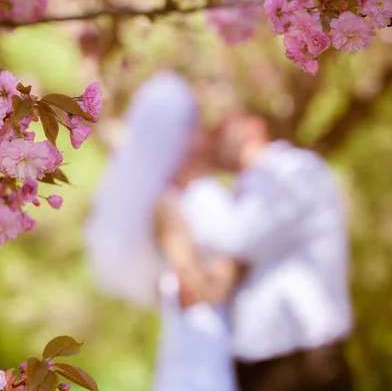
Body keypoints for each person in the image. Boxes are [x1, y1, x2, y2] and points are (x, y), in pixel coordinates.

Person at [170, 108, 354, 391]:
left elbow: (235, 236)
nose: (212, 138)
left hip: (301, 358)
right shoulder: (248, 188)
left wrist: (196, 179)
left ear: (253, 128)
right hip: (263, 360)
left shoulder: (294, 171)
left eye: (220, 128)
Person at [83, 72, 237, 391]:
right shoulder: (168, 206)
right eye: (193, 126)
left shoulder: (183, 196)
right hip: (199, 341)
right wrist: (236, 266)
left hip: (194, 340)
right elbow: (199, 281)